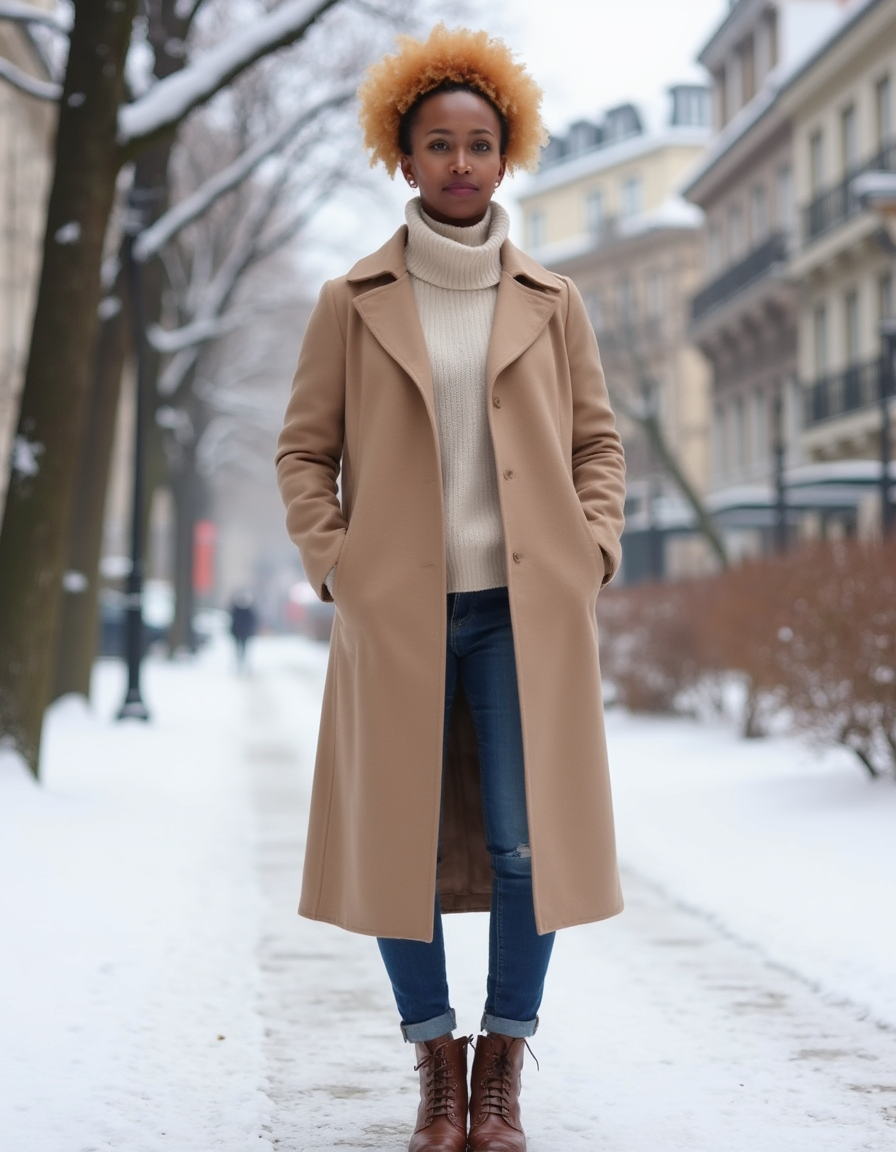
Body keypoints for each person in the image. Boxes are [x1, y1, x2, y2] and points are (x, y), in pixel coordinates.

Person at [275, 23, 626, 1152]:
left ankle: (500, 1069)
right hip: (398, 617)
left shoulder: (554, 300)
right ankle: (433, 1064)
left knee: (534, 850)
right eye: (439, 144)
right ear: (404, 156)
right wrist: (338, 562)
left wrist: (593, 549)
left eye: (480, 143)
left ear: (505, 153)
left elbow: (596, 446)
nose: (461, 163)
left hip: (525, 617)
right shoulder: (351, 299)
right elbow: (301, 451)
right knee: (396, 847)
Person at [228, 591, 257, 671]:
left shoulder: (238, 609)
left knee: (241, 648)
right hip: (241, 632)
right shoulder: (243, 610)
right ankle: (240, 661)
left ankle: (241, 661)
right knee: (241, 648)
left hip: (241, 632)